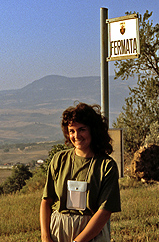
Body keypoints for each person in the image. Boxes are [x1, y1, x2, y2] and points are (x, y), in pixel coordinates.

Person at [40, 102, 121, 242]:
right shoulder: (59, 160)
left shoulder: (106, 166)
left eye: (82, 129)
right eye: (72, 131)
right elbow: (46, 201)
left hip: (91, 235)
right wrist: (45, 237)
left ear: (93, 130)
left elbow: (105, 211)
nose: (76, 135)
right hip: (57, 232)